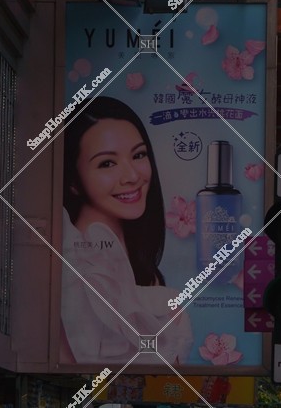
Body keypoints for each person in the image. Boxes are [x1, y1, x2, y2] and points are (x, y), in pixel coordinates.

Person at [60, 96, 192, 364]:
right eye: (107, 163)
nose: (132, 176)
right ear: (74, 181)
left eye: (138, 155)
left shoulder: (138, 267)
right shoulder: (74, 269)